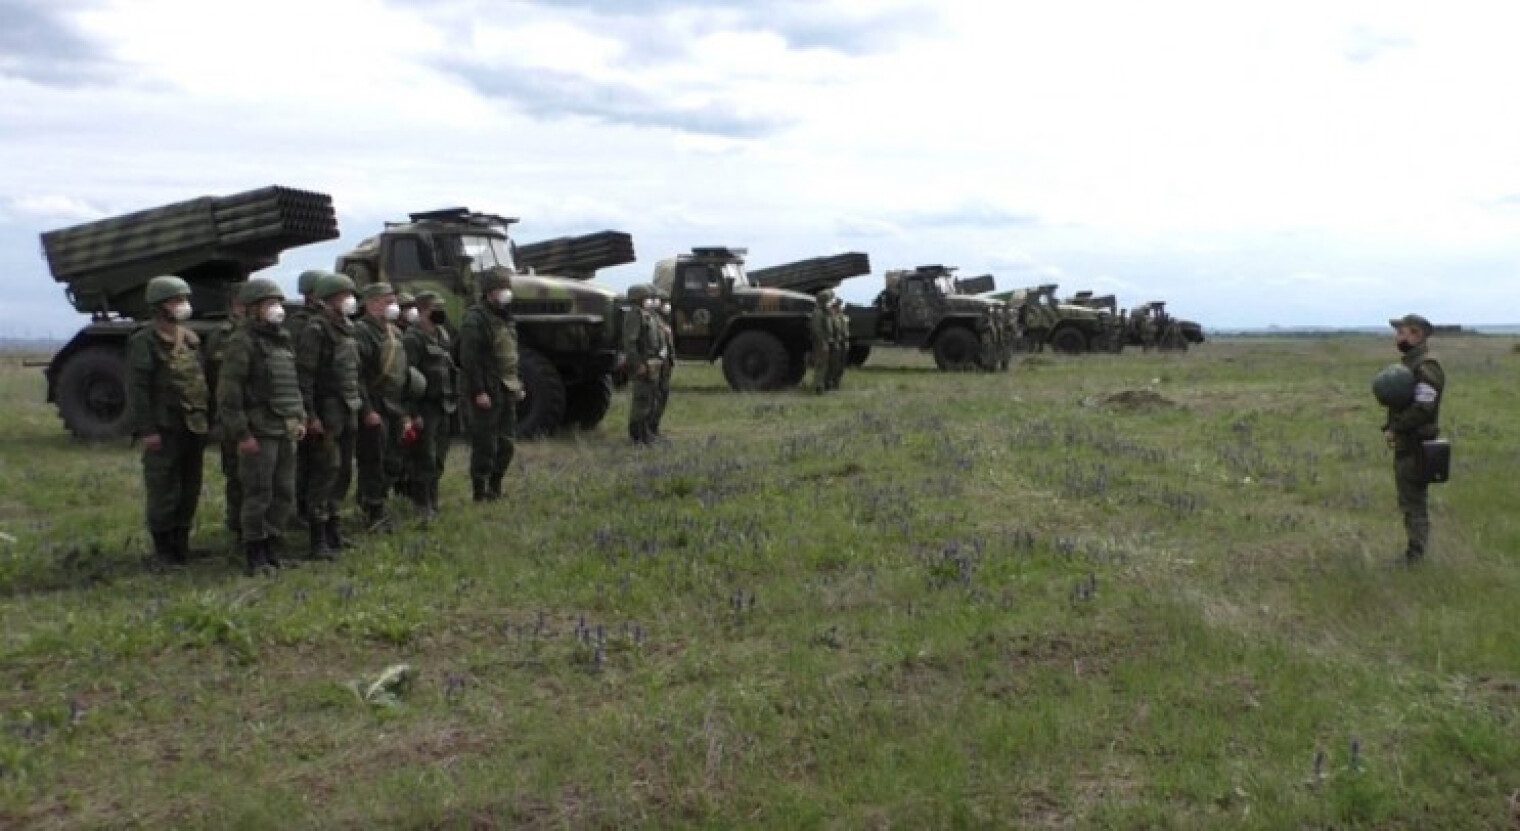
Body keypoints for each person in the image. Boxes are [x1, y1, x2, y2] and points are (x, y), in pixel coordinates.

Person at [218, 278, 307, 574]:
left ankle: (273, 546)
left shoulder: (281, 340)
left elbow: (291, 384)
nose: (277, 310)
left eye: (277, 303)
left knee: (283, 491)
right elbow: (230, 393)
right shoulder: (242, 342)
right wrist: (242, 433)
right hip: (259, 430)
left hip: (284, 427)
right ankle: (254, 552)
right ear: (253, 309)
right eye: (270, 304)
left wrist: (299, 417)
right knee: (258, 492)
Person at [127, 275, 211, 567]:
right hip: (164, 425)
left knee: (190, 486)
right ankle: (163, 550)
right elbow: (138, 389)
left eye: (183, 300)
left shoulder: (189, 339)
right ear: (160, 306)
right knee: (163, 487)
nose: (183, 306)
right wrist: (147, 428)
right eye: (176, 301)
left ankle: (181, 546)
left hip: (193, 424)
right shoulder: (144, 341)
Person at [296, 271, 363, 559]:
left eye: (349, 295)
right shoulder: (316, 329)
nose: (348, 300)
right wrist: (311, 415)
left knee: (343, 471)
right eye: (341, 296)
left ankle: (334, 529)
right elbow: (306, 375)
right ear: (326, 300)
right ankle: (317, 538)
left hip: (347, 408)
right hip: (326, 409)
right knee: (324, 471)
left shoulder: (347, 327)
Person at [1383, 313, 1445, 565]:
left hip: (1417, 444)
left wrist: (1396, 427)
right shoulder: (1411, 364)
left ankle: (1415, 557)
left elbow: (1424, 407)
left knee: (1414, 503)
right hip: (1408, 443)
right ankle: (1413, 552)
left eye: (1402, 331)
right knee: (1408, 500)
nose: (1397, 336)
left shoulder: (1426, 366)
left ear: (1417, 335)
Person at [459, 268, 525, 499]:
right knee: (485, 442)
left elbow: (511, 353)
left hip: (507, 387)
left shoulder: (505, 316)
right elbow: (470, 358)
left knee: (507, 443)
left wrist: (518, 383)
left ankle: (495, 486)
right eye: (500, 289)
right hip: (488, 388)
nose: (506, 293)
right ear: (488, 292)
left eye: (507, 288)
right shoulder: (475, 318)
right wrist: (479, 391)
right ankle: (480, 490)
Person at [353, 282, 414, 530]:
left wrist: (406, 411)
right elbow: (357, 376)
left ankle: (376, 502)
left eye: (393, 299)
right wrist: (367, 410)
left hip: (394, 404)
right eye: (387, 300)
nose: (393, 305)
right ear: (372, 303)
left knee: (393, 459)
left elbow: (402, 372)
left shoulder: (395, 332)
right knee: (373, 460)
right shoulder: (361, 332)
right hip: (374, 402)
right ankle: (373, 511)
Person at [403, 291, 460, 516]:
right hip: (425, 406)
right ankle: (421, 503)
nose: (440, 312)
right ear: (424, 310)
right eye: (436, 308)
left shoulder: (443, 334)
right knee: (423, 456)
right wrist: (412, 412)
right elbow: (408, 377)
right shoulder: (413, 338)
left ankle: (433, 500)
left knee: (439, 455)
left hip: (444, 403)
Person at [204, 288, 246, 538]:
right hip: (231, 414)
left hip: (258, 415)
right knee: (237, 474)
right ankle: (237, 526)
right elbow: (216, 378)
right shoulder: (223, 335)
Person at [289, 269, 324, 528]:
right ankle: (302, 509)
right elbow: (301, 369)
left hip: (326, 399)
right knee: (308, 460)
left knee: (322, 462)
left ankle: (313, 509)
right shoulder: (300, 324)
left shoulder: (328, 323)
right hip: (310, 397)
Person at [619, 284, 660, 444]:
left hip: (650, 363)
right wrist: (637, 365)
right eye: (645, 297)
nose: (648, 300)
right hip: (642, 363)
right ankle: (637, 435)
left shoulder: (646, 314)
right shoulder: (634, 315)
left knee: (650, 399)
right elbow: (630, 343)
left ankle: (646, 433)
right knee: (641, 400)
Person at [649, 291, 676, 439]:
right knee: (652, 398)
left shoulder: (664, 320)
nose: (666, 305)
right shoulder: (651, 319)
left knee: (663, 396)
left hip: (665, 365)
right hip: (656, 364)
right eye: (663, 302)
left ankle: (654, 428)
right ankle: (646, 431)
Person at [809, 289, 833, 393]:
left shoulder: (824, 312)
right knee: (820, 364)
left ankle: (821, 385)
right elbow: (817, 329)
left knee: (824, 364)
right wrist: (823, 342)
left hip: (824, 341)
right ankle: (817, 386)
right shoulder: (818, 313)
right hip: (820, 342)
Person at [827, 296, 848, 390]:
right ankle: (829, 383)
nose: (838, 307)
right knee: (833, 365)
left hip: (843, 342)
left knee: (841, 365)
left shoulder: (842, 316)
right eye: (836, 306)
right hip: (835, 343)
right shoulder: (830, 317)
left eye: (839, 306)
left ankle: (836, 383)